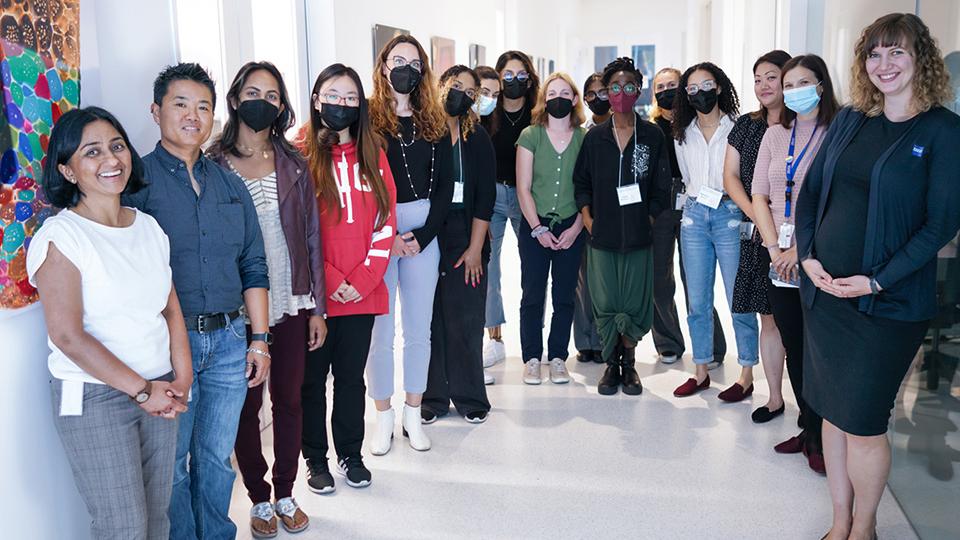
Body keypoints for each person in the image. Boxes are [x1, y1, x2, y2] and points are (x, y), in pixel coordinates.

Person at [795, 13, 960, 539]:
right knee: (832, 415)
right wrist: (809, 257)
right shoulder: (850, 120)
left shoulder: (942, 131)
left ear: (921, 60)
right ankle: (838, 522)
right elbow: (812, 191)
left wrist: (878, 279)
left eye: (897, 53)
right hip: (826, 297)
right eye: (874, 54)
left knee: (863, 423)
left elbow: (940, 225)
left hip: (885, 306)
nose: (883, 64)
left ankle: (864, 528)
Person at [27, 106, 190, 540]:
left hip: (160, 387)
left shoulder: (149, 227)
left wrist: (182, 377)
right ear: (68, 170)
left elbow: (169, 308)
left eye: (117, 147)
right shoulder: (61, 237)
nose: (111, 160)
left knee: (158, 520)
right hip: (96, 398)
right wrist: (141, 389)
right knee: (124, 528)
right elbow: (67, 335)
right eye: (92, 152)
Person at [123, 63, 271, 540]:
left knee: (216, 460)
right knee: (174, 467)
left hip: (230, 341)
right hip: (168, 345)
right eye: (180, 104)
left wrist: (260, 339)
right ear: (156, 111)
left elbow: (253, 263)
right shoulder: (134, 185)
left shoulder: (230, 184)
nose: (193, 115)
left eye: (203, 106)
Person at [206, 61, 327, 537]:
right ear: (235, 99)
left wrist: (317, 306)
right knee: (245, 405)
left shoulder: (295, 162)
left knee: (289, 399)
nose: (264, 101)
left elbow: (312, 238)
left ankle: (286, 491)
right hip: (238, 309)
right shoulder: (213, 164)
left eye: (273, 95)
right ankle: (258, 499)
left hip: (293, 297)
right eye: (253, 91)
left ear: (281, 107)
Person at [298, 63, 396, 494]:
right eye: (333, 95)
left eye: (350, 98)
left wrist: (363, 278)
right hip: (317, 295)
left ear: (361, 106)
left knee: (353, 378)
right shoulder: (298, 152)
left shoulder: (373, 152)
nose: (341, 104)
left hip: (363, 292)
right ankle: (315, 460)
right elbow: (295, 228)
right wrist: (331, 277)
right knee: (312, 380)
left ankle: (350, 454)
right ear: (317, 98)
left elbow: (386, 221)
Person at [367, 34, 453, 454]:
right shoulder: (366, 117)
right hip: (377, 227)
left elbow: (445, 189)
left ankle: (412, 414)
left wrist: (422, 236)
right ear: (383, 66)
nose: (405, 68)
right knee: (379, 333)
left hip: (423, 228)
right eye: (397, 60)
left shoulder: (433, 119)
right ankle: (382, 416)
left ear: (423, 70)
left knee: (419, 329)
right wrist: (388, 238)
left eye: (414, 62)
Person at [752, 53, 838, 474]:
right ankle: (809, 427)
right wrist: (773, 248)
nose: (793, 91)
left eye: (802, 82)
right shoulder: (774, 135)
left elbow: (834, 202)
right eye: (788, 85)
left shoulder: (837, 133)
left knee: (820, 349)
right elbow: (759, 196)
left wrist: (799, 250)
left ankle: (824, 434)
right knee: (794, 346)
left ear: (821, 85)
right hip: (777, 257)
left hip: (819, 256)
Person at [574, 57, 672, 395]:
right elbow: (582, 183)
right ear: (606, 92)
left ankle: (628, 364)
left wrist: (649, 216)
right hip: (601, 237)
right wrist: (588, 218)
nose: (620, 93)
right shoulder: (594, 138)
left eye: (629, 87)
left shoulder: (652, 135)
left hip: (639, 237)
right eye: (614, 87)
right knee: (605, 301)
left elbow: (661, 186)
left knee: (634, 303)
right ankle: (609, 364)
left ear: (639, 91)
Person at [671, 62, 760, 398]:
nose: (699, 93)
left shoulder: (739, 127)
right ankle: (701, 369)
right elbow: (687, 176)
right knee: (697, 299)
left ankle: (746, 372)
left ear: (720, 87)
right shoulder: (683, 131)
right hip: (694, 216)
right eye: (691, 89)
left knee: (738, 298)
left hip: (729, 213)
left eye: (706, 85)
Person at [422, 65, 496, 422]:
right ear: (440, 86)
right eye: (456, 86)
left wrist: (475, 249)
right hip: (428, 232)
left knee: (466, 317)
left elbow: (485, 198)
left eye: (471, 92)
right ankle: (432, 399)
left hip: (467, 233)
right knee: (431, 318)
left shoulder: (477, 137)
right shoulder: (424, 133)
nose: (462, 95)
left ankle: (470, 398)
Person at [720, 50, 791, 404]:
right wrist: (759, 218)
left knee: (797, 322)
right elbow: (730, 177)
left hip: (798, 236)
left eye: (772, 77)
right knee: (768, 319)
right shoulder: (746, 125)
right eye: (757, 78)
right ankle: (774, 397)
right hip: (757, 234)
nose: (763, 85)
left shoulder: (803, 124)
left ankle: (810, 406)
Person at [650, 67, 727, 366]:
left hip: (696, 202)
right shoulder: (650, 127)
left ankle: (711, 347)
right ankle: (668, 341)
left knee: (697, 279)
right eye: (661, 86)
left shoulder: (695, 122)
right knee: (659, 279)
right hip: (660, 207)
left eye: (673, 84)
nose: (667, 90)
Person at [515, 71, 587, 384]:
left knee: (565, 295)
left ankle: (558, 356)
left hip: (573, 224)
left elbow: (591, 190)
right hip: (535, 225)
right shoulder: (531, 135)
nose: (558, 97)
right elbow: (523, 187)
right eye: (551, 92)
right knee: (532, 293)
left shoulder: (586, 138)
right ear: (544, 100)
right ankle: (532, 357)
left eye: (564, 92)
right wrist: (537, 229)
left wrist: (576, 229)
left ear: (574, 99)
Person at [482, 50, 541, 367]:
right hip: (491, 195)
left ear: (529, 78)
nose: (514, 81)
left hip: (525, 196)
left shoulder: (537, 114)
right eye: (507, 75)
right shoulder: (487, 110)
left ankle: (534, 339)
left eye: (521, 75)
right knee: (489, 269)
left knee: (532, 267)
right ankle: (495, 338)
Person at [571, 73, 607, 365]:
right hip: (583, 212)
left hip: (614, 213)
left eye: (602, 91)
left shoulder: (624, 128)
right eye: (591, 94)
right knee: (582, 281)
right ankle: (585, 341)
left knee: (606, 281)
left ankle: (606, 339)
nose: (597, 98)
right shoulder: (580, 133)